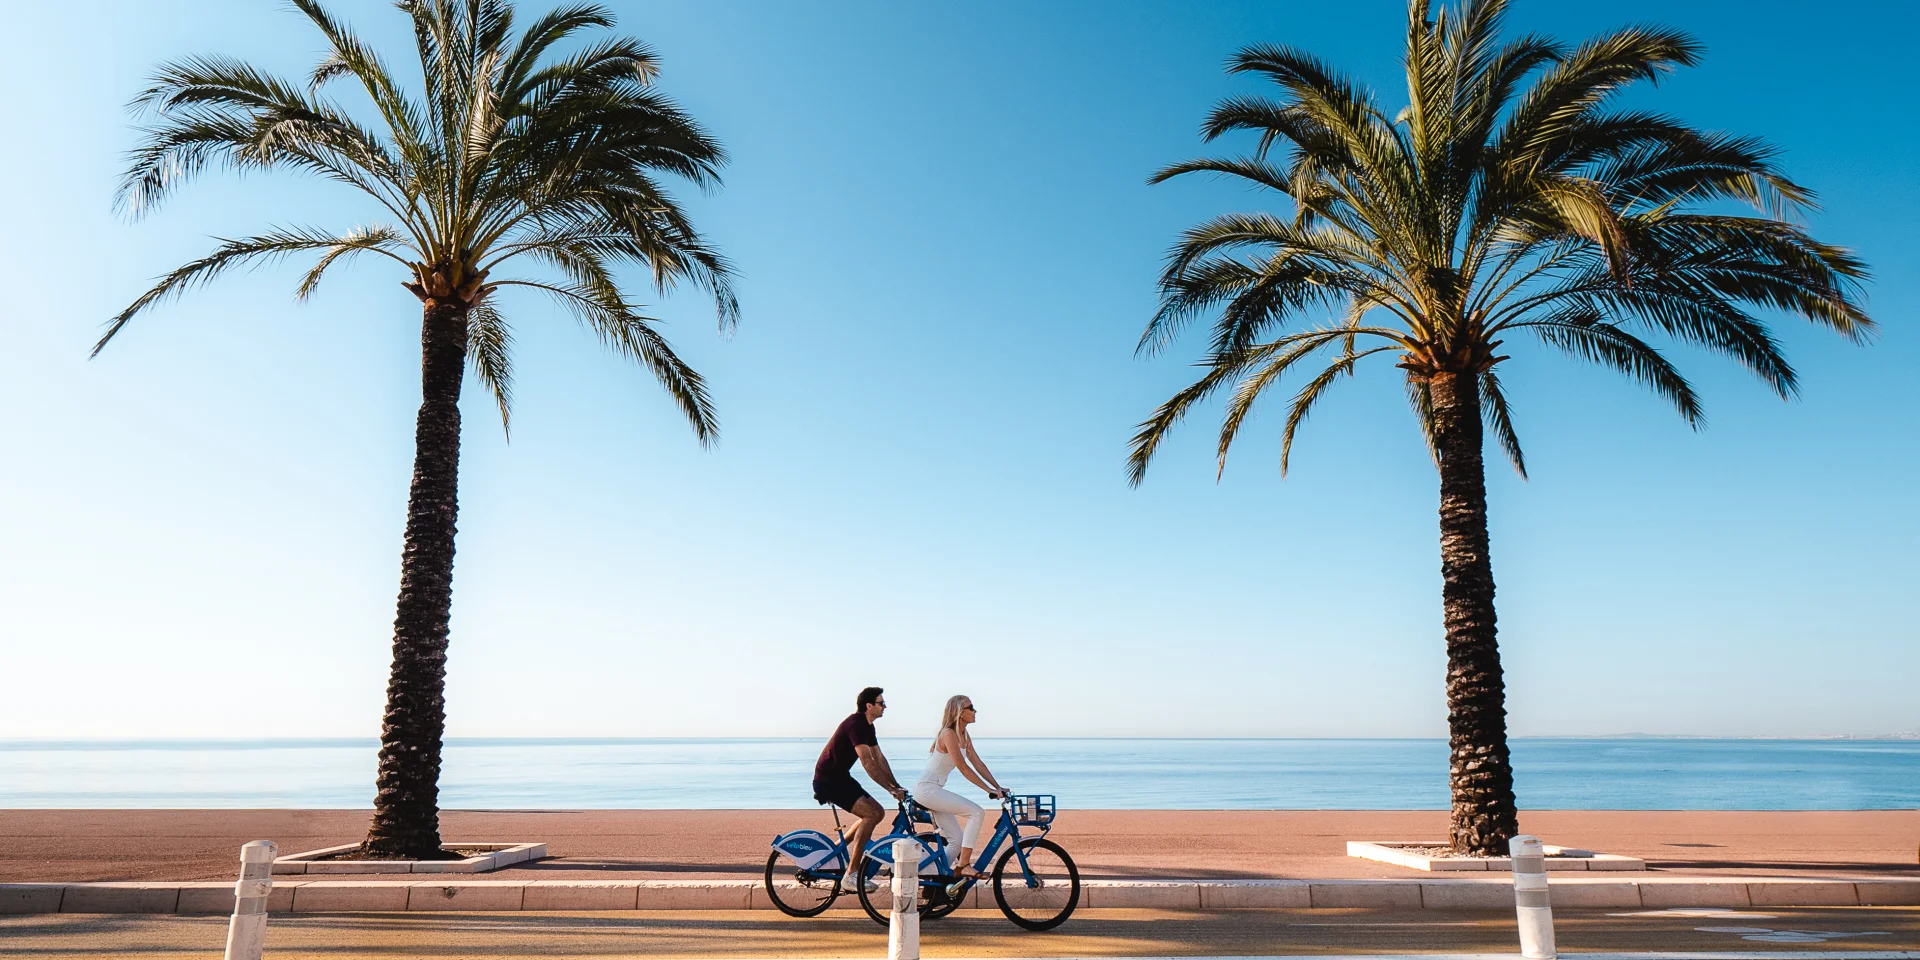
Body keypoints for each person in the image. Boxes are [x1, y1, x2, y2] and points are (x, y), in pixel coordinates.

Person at [813, 686, 909, 892]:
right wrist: (890, 789)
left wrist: (896, 785)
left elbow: (879, 758)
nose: (885, 707)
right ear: (869, 706)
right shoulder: (856, 725)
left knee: (877, 812)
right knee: (871, 815)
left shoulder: (868, 727)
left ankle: (838, 849)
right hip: (829, 781)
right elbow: (867, 762)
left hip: (841, 778)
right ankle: (851, 874)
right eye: (881, 703)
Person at [913, 694, 1008, 879]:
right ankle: (964, 864)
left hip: (935, 790)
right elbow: (963, 767)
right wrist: (988, 791)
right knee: (976, 812)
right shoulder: (948, 734)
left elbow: (977, 763)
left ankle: (933, 878)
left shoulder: (964, 734)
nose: (974, 711)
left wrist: (998, 787)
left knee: (956, 841)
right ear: (959, 712)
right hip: (927, 790)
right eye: (970, 707)